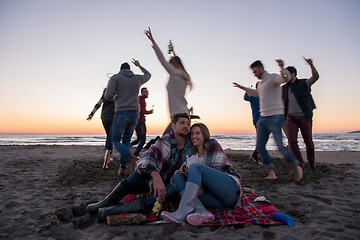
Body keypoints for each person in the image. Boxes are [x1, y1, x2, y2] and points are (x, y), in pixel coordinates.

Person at [86, 113, 194, 222]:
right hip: (155, 180)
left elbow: (206, 146)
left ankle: (112, 210)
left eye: (188, 124)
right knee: (139, 172)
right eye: (182, 123)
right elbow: (148, 155)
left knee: (170, 190)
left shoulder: (192, 143)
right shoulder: (165, 141)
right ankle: (107, 202)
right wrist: (156, 176)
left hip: (171, 184)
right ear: (173, 126)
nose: (186, 126)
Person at [161, 123, 243, 226]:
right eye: (192, 134)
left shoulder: (212, 145)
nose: (194, 136)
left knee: (195, 168)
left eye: (197, 133)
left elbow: (219, 171)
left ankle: (183, 211)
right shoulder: (191, 158)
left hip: (228, 192)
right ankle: (201, 210)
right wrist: (183, 171)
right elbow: (177, 178)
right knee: (177, 176)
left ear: (204, 135)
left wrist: (201, 184)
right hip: (217, 201)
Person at [233, 60, 303, 181]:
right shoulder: (260, 84)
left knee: (280, 147)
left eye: (255, 71)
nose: (254, 74)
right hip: (263, 118)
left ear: (261, 68)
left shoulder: (273, 78)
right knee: (260, 147)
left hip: (276, 116)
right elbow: (256, 93)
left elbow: (284, 78)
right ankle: (271, 172)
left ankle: (297, 166)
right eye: (253, 72)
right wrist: (243, 88)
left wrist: (282, 67)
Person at [105, 59, 151, 176]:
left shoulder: (115, 78)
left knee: (115, 140)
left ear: (120, 70)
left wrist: (116, 97)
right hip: (135, 113)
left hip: (122, 112)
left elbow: (108, 95)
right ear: (130, 70)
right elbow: (148, 75)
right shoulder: (137, 78)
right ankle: (122, 168)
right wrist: (139, 66)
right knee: (126, 141)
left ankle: (131, 158)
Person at [145, 27, 193, 135]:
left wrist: (153, 41)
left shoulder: (174, 72)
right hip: (184, 112)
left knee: (165, 139)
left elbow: (161, 58)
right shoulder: (184, 75)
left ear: (173, 64)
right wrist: (173, 51)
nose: (168, 64)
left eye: (170, 63)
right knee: (176, 141)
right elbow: (177, 61)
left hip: (178, 115)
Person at [282, 57, 320, 171]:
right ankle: (300, 165)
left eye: (287, 75)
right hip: (290, 118)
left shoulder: (303, 83)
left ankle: (312, 162)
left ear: (293, 74)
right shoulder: (284, 88)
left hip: (304, 116)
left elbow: (315, 77)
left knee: (308, 141)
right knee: (292, 142)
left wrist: (311, 65)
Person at [87, 88, 115, 169]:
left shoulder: (106, 93)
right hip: (113, 117)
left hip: (104, 117)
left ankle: (107, 156)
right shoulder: (116, 92)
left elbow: (98, 104)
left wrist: (91, 114)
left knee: (109, 136)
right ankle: (106, 160)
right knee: (111, 137)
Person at [130, 87, 154, 157]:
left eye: (147, 92)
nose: (147, 93)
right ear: (142, 92)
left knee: (138, 139)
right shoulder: (142, 100)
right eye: (146, 92)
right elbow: (142, 111)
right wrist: (149, 112)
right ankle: (136, 154)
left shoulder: (137, 99)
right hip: (140, 121)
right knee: (143, 140)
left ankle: (128, 146)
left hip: (135, 121)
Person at [243, 82, 261, 164]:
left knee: (263, 138)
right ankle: (257, 155)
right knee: (261, 138)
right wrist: (247, 91)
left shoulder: (265, 96)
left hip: (266, 119)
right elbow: (246, 98)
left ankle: (256, 154)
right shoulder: (253, 96)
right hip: (257, 119)